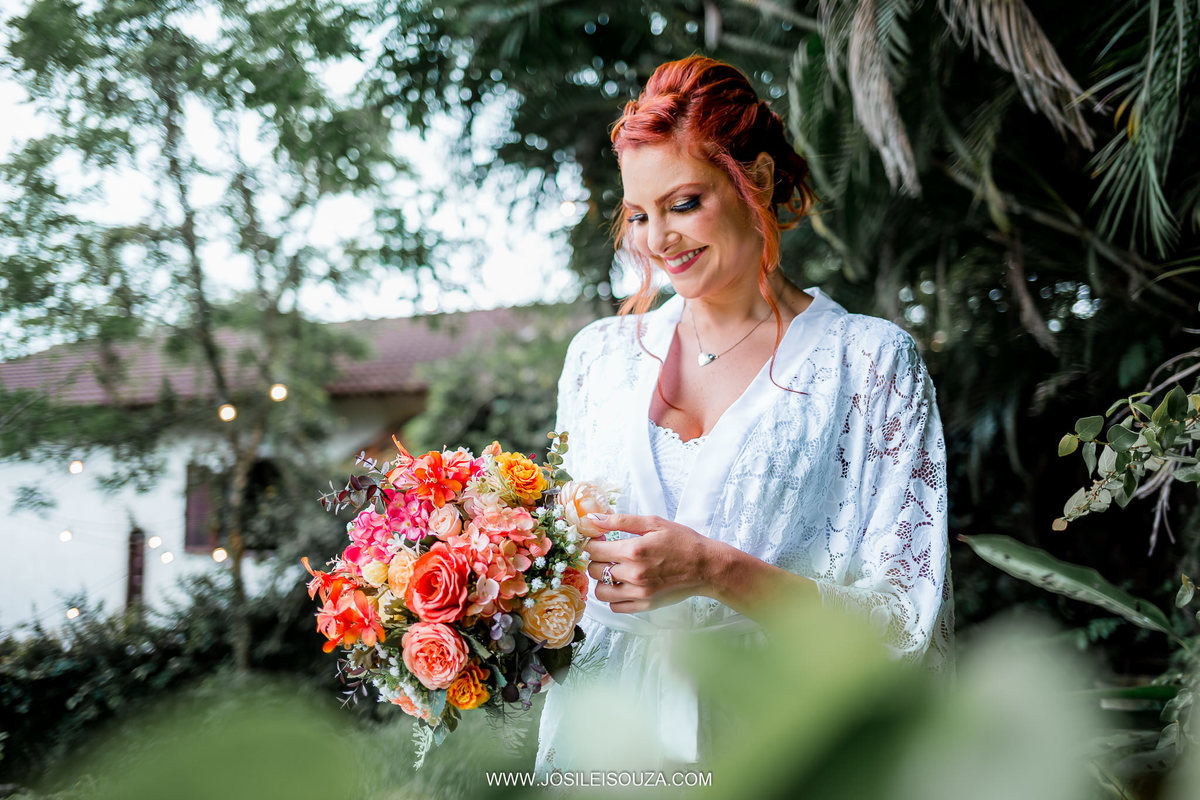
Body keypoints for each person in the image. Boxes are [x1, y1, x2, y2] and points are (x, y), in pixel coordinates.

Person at [535, 56, 953, 773]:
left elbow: (903, 621)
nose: (657, 240)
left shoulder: (869, 363)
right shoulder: (598, 358)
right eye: (639, 215)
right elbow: (561, 567)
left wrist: (715, 570)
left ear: (754, 179)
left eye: (683, 203)